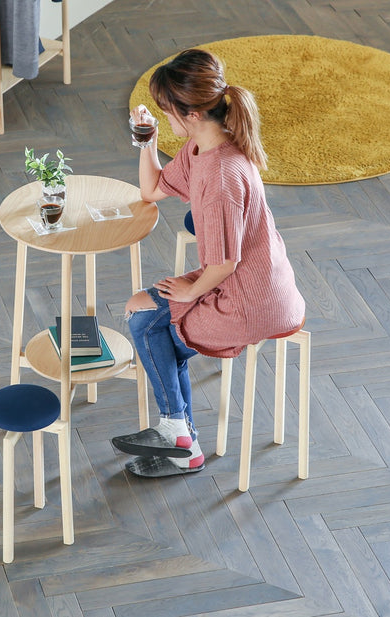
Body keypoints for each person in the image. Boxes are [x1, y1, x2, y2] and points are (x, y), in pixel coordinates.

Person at [112, 48, 305, 477]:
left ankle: (181, 438)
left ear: (193, 113)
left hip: (248, 298)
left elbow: (225, 262)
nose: (166, 118)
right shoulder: (202, 147)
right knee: (144, 317)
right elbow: (151, 190)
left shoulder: (220, 176)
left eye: (167, 112)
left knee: (150, 327)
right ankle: (180, 435)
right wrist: (148, 141)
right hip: (246, 279)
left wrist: (190, 290)